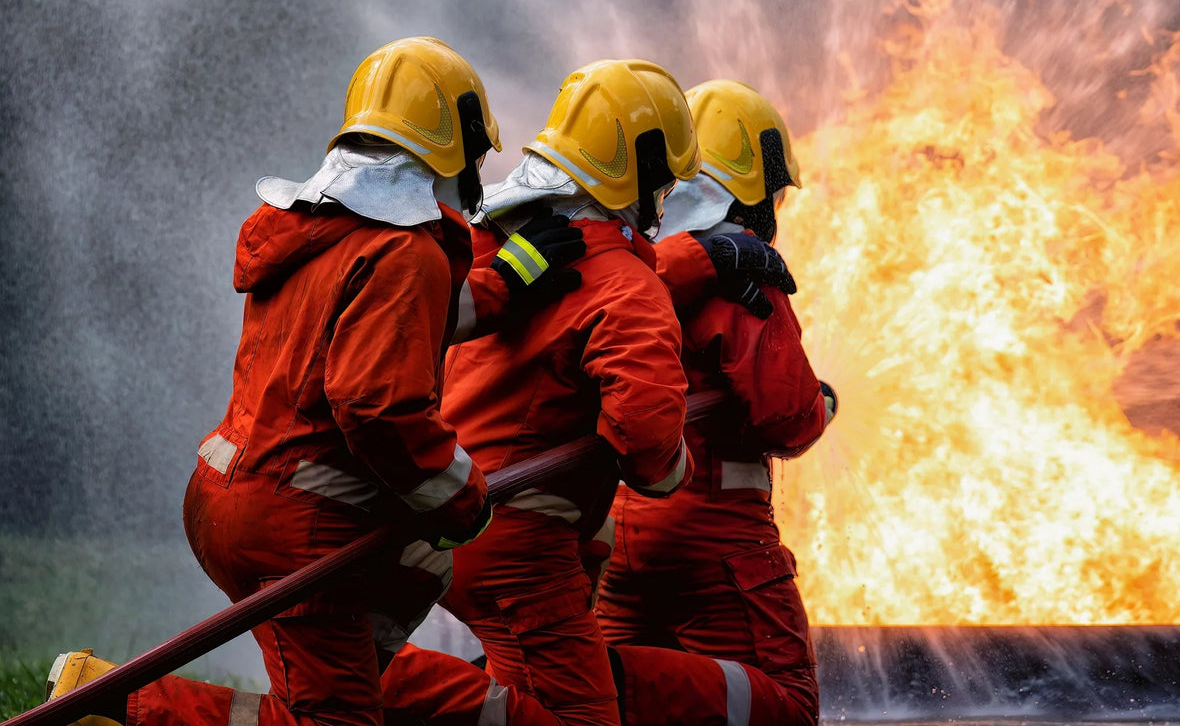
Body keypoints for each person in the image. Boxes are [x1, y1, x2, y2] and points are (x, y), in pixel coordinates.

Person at [45, 36, 585, 726]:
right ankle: (123, 709)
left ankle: (110, 701)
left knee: (392, 604)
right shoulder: (407, 251)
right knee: (337, 718)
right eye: (475, 157)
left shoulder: (321, 230)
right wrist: (461, 496)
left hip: (228, 494)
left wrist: (510, 279)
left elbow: (394, 324)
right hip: (297, 520)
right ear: (449, 149)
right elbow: (375, 402)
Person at [412, 59, 699, 726]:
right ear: (644, 169)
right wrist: (680, 456)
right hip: (517, 548)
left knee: (520, 707)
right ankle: (364, 690)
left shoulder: (503, 244)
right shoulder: (628, 287)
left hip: (449, 517)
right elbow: (651, 455)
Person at [598, 80, 838, 726]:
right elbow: (784, 417)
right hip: (715, 540)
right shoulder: (741, 270)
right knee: (784, 702)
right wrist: (824, 407)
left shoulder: (630, 258)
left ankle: (594, 676)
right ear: (752, 187)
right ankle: (606, 678)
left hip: (621, 533)